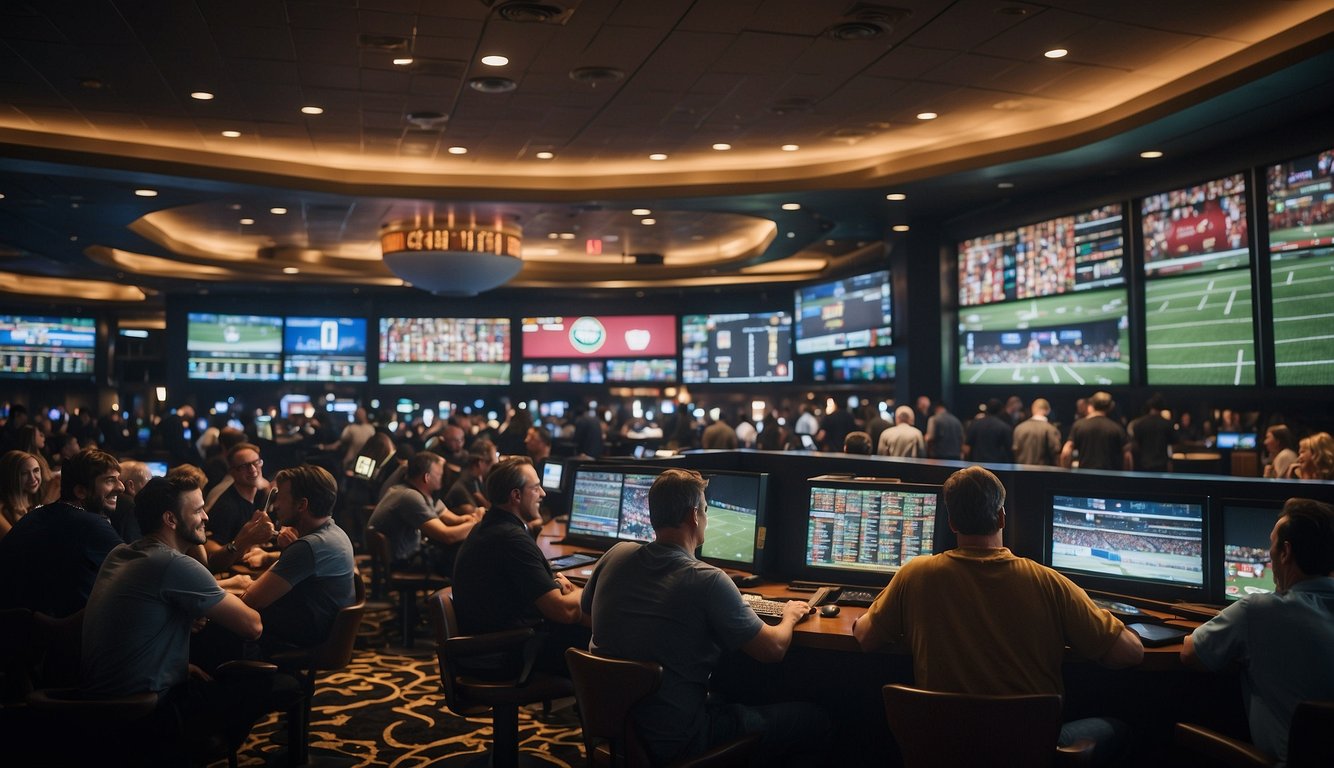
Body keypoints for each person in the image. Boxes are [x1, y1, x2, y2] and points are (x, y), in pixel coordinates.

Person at [854, 466, 1143, 765]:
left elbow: (865, 637)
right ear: (1002, 517)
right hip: (1029, 751)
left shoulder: (915, 574)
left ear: (952, 523)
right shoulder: (1047, 581)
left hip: (945, 749)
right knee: (1120, 731)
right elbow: (1129, 654)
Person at [581, 468, 826, 766]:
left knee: (723, 696)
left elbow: (588, 615)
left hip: (616, 733)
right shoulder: (707, 580)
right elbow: (772, 649)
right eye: (707, 509)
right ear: (695, 516)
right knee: (813, 719)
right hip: (679, 742)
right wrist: (789, 615)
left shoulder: (615, 555)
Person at [81, 474, 300, 761]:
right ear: (171, 519)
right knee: (266, 678)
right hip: (146, 711)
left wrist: (179, 664)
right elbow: (252, 626)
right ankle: (189, 752)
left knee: (210, 652)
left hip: (102, 700)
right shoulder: (173, 563)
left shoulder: (121, 553)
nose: (206, 516)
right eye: (197, 510)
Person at [1182, 498, 1334, 765]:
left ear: (1285, 552)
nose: (1269, 554)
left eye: (1271, 545)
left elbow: (1190, 653)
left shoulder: (1258, 611)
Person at [451, 456, 586, 675]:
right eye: (536, 488)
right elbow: (564, 612)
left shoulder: (490, 526)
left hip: (489, 644)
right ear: (516, 495)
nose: (543, 494)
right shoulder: (511, 539)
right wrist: (586, 591)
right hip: (502, 654)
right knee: (604, 633)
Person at [240, 464, 356, 653]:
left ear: (302, 505)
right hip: (324, 629)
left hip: (306, 638)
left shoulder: (309, 547)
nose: (276, 505)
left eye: (281, 498)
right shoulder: (335, 532)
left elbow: (251, 600)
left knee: (225, 621)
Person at [0, 448, 125, 617]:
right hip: (61, 638)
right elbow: (138, 575)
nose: (121, 487)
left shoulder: (34, 516)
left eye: (119, 479)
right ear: (80, 491)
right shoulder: (90, 525)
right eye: (110, 480)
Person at [369, 451, 479, 577]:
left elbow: (453, 520)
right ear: (427, 477)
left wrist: (472, 518)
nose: (442, 478)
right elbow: (447, 536)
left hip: (409, 555)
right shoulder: (410, 497)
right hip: (404, 562)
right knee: (466, 557)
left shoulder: (415, 491)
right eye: (439, 474)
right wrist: (477, 523)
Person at [204, 442, 278, 572]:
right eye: (244, 466)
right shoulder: (226, 507)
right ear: (232, 472)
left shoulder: (262, 493)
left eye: (256, 462)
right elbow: (213, 556)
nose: (253, 470)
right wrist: (245, 541)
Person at [1061, 391, 1130, 471]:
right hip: (1110, 478)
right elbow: (1127, 457)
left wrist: (1067, 473)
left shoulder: (1079, 425)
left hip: (1085, 476)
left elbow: (1066, 453)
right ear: (1111, 407)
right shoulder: (1117, 428)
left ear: (1091, 405)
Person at [0, 449, 43, 541]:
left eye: (36, 470)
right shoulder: (3, 510)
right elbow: (18, 544)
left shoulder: (36, 500)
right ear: (10, 477)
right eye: (24, 473)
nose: (33, 478)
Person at [444, 445, 496, 518]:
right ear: (480, 463)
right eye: (492, 465)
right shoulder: (465, 483)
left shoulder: (473, 476)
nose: (492, 469)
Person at [109, 459, 153, 543]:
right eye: (149, 484)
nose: (152, 490)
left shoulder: (108, 502)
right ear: (131, 486)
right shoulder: (131, 508)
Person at [1127, 395, 1173, 472]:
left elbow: (1135, 444)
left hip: (1143, 464)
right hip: (1161, 465)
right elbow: (1175, 441)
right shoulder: (1167, 423)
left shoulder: (1139, 423)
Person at [1012, 398, 1061, 466]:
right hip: (1044, 473)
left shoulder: (1019, 428)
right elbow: (1056, 453)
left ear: (1033, 409)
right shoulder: (1051, 429)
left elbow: (1015, 451)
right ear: (1048, 410)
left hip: (1022, 473)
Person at [964, 399, 1013, 464]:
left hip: (977, 465)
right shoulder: (1004, 427)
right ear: (1000, 410)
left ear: (986, 409)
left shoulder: (975, 424)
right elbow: (1009, 450)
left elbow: (967, 448)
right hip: (997, 466)